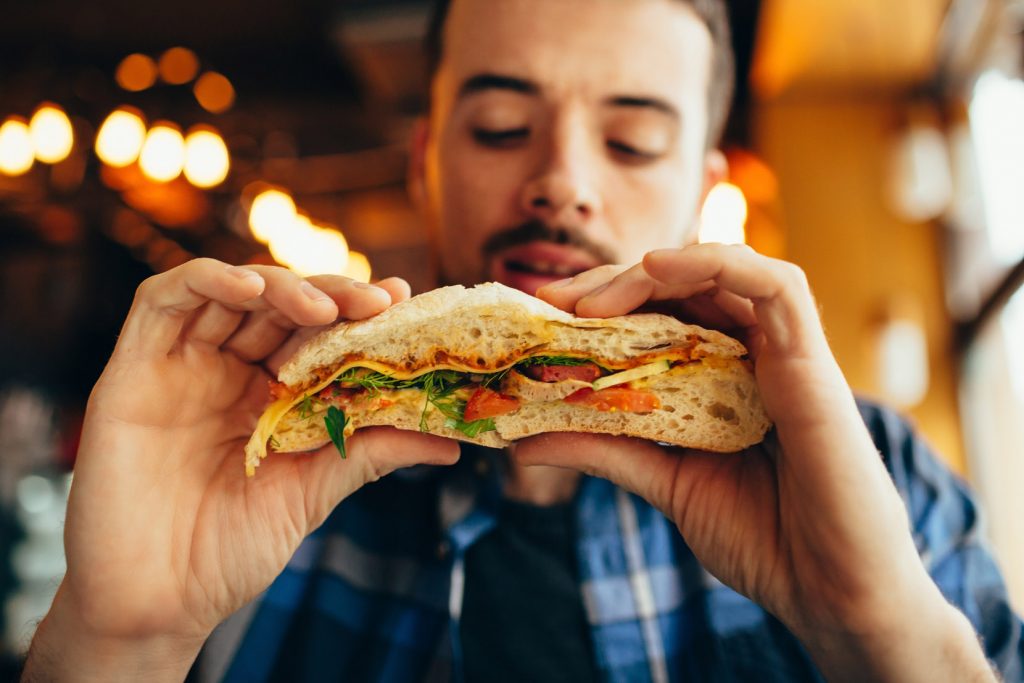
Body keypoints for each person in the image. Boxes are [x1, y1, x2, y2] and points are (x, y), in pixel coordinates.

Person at [21, 0, 1023, 680]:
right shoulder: (253, 461)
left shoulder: (875, 480)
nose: (559, 180)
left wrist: (879, 636)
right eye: (501, 125)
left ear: (705, 190)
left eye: (631, 140)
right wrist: (118, 640)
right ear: (425, 163)